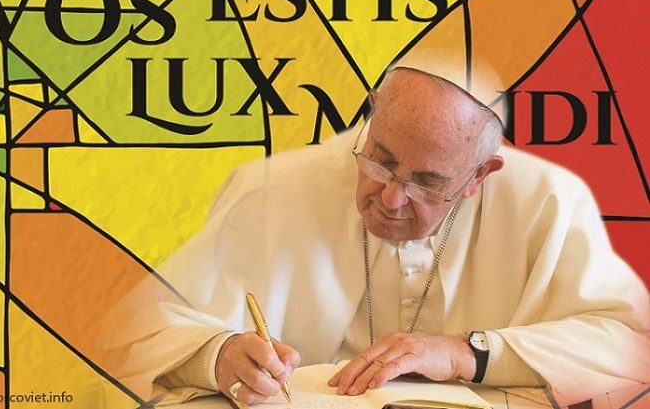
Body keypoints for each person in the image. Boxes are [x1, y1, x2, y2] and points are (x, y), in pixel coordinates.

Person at [104, 65, 650, 407]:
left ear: (479, 176)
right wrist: (218, 354)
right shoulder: (269, 188)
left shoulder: (548, 200)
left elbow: (630, 346)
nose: (390, 198)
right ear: (372, 117)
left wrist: (467, 353)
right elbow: (132, 332)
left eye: (427, 183)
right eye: (381, 161)